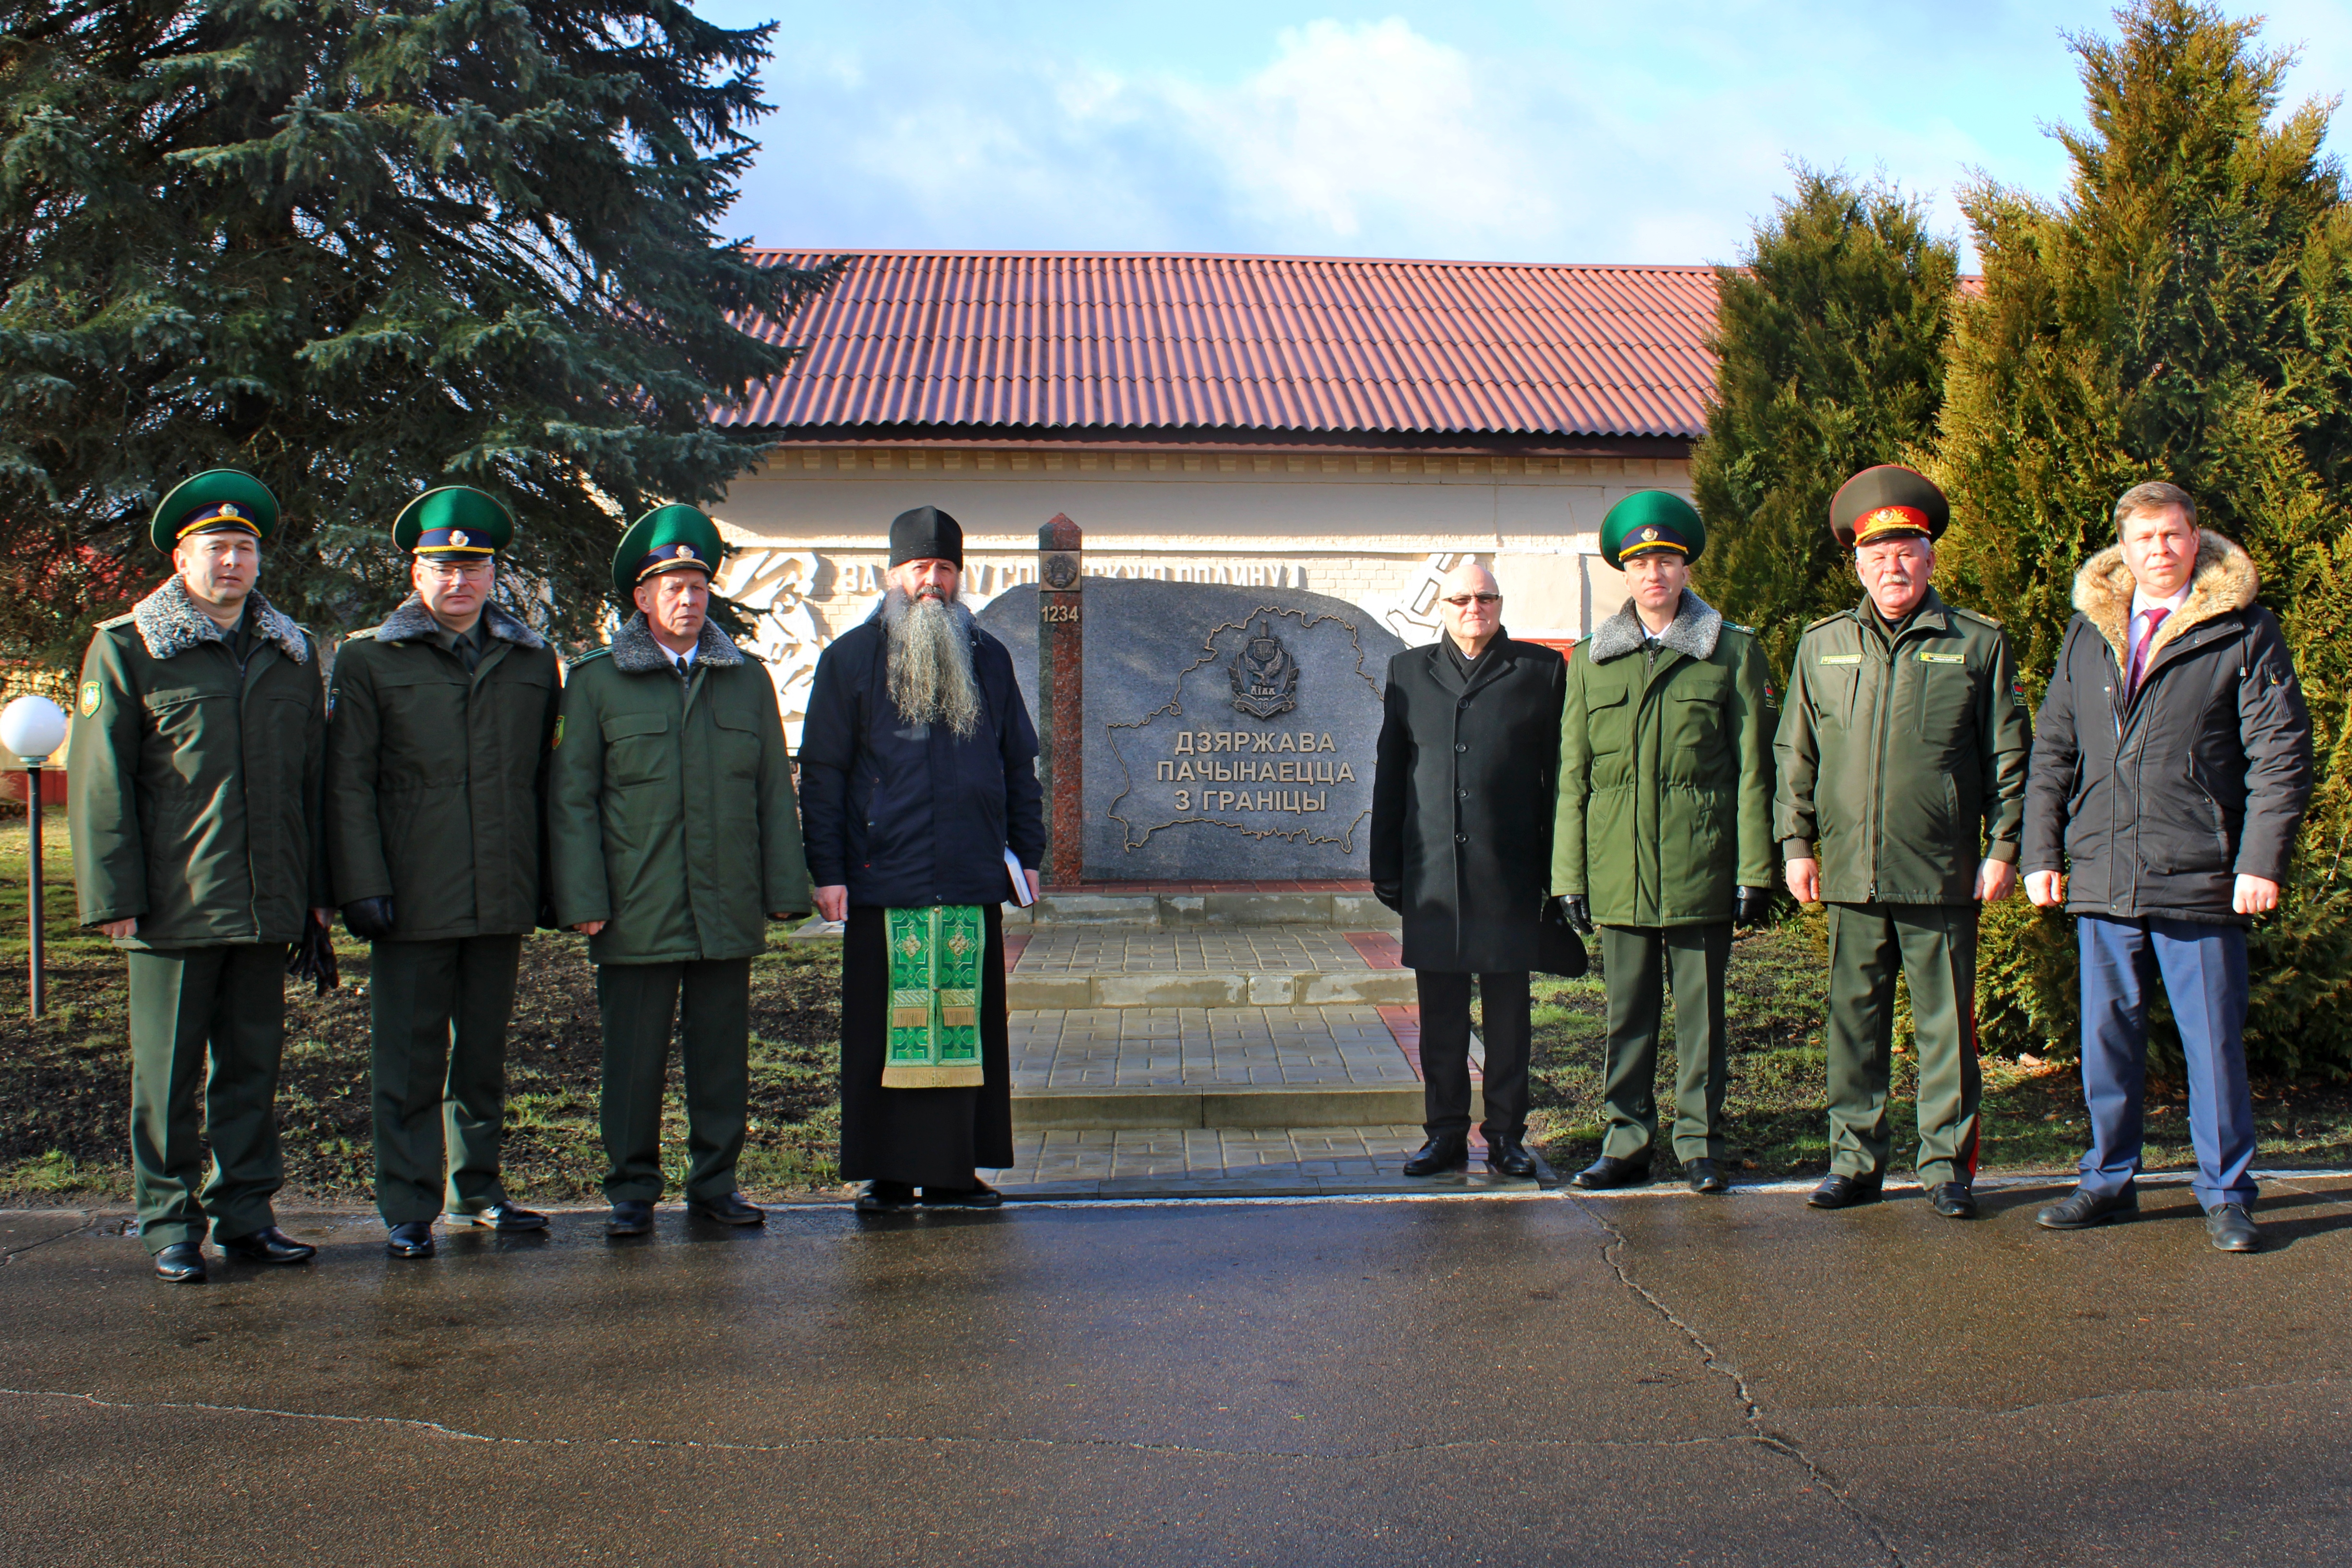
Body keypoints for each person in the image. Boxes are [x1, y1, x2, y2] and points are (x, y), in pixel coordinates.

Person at [2023, 482, 2311, 1252]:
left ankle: (2225, 1194)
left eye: (2173, 534)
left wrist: (2260, 861)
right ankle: (2106, 1181)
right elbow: (2053, 748)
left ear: (2196, 539)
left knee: (2211, 1042)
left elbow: (2279, 756)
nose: (2159, 549)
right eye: (2143, 537)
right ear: (2122, 547)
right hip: (2102, 874)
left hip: (2201, 874)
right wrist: (2040, 852)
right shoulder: (2088, 634)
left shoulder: (2242, 630)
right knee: (2108, 1038)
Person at [68, 469, 331, 1283]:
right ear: (182, 558)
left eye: (245, 548)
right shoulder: (129, 648)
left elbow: (310, 784)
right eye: (216, 548)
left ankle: (247, 1214)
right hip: (175, 906)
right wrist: (115, 896)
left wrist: (316, 894)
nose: (232, 563)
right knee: (170, 1075)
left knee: (251, 1070)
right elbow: (99, 780)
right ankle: (170, 1222)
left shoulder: (289, 654)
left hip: (267, 902)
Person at [1775, 465, 2030, 1219]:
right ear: (1857, 563)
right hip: (1848, 871)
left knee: (1945, 1025)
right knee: (1852, 1022)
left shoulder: (1976, 644)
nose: (1892, 566)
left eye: (1906, 550)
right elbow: (1796, 755)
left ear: (1929, 557)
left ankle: (1947, 1167)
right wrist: (1796, 845)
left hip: (1942, 870)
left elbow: (2007, 756)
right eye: (1876, 553)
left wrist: (2003, 848)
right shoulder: (1823, 645)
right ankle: (1854, 1162)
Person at [548, 504, 810, 1236]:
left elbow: (769, 792)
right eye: (672, 587)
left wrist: (785, 892)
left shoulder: (745, 680)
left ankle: (714, 1183)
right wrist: (582, 899)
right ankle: (631, 1190)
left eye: (698, 585)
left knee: (721, 1058)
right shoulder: (597, 683)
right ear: (641, 598)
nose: (689, 599)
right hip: (636, 906)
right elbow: (572, 800)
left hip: (725, 902)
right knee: (632, 1060)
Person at [325, 486, 560, 1259]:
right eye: (442, 566)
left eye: (474, 567)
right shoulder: (368, 659)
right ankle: (407, 1205)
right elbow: (348, 780)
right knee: (409, 1059)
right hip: (411, 895)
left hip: (499, 890)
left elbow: (544, 785)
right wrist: (361, 884)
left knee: (484, 1058)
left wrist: (547, 886)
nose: (459, 581)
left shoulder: (531, 663)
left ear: (494, 575)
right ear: (416, 574)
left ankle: (478, 1191)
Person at [799, 505, 1043, 1214]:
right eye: (918, 568)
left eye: (942, 569)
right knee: (889, 1029)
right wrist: (829, 870)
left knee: (960, 1024)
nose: (930, 582)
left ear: (957, 576)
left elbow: (1016, 763)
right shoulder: (849, 658)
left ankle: (952, 1170)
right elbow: (822, 772)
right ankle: (886, 1172)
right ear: (892, 574)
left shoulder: (989, 657)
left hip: (969, 873)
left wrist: (1027, 854)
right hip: (884, 875)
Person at [1553, 493, 1775, 1195]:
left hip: (1699, 864)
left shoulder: (1731, 651)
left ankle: (1700, 1143)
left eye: (1667, 559)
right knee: (1627, 1018)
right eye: (1641, 560)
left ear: (1685, 569)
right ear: (1624, 572)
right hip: (1617, 868)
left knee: (1701, 1019)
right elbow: (1573, 775)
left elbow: (1752, 768)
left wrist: (1753, 868)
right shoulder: (1591, 660)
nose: (1655, 572)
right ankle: (1625, 1141)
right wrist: (1569, 875)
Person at [1370, 560, 1567, 1180]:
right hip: (1433, 879)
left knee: (1509, 1017)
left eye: (1484, 597)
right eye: (1460, 599)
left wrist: (1560, 875)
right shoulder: (1408, 672)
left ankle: (1508, 1135)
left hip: (1508, 874)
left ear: (1500, 603)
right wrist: (1386, 867)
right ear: (1442, 607)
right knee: (1441, 1020)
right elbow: (1390, 775)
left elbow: (1560, 778)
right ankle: (1444, 1134)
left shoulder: (1538, 672)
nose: (1472, 608)